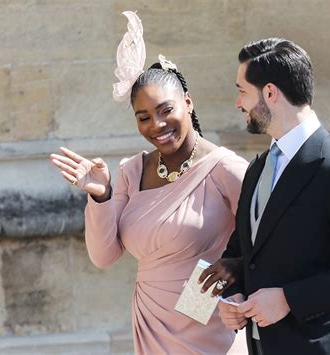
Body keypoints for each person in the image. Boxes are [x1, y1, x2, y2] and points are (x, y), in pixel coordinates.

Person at [50, 11, 248, 354]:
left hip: (210, 326)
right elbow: (104, 256)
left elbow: (272, 236)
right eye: (144, 117)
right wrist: (102, 197)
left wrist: (239, 266)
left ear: (188, 102)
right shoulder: (130, 170)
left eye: (165, 110)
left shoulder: (225, 168)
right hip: (151, 323)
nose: (156, 124)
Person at [199, 38, 330, 355]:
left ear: (271, 94)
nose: (239, 103)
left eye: (243, 91)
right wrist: (234, 295)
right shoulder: (258, 168)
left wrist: (289, 298)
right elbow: (243, 254)